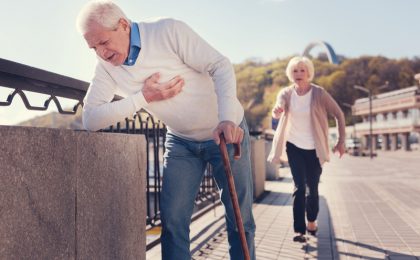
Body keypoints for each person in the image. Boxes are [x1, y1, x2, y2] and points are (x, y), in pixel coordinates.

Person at [76, 1, 256, 259]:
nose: (101, 53)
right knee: (172, 224)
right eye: (93, 47)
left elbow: (221, 65)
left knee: (240, 221)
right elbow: (91, 119)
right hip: (181, 142)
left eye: (103, 42)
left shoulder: (167, 30)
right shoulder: (106, 67)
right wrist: (143, 97)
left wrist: (227, 118)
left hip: (225, 134)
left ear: (123, 25)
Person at [267, 56, 345, 243]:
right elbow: (278, 108)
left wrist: (341, 141)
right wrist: (276, 112)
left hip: (314, 149)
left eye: (302, 70)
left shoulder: (319, 93)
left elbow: (339, 114)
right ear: (290, 74)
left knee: (313, 188)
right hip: (294, 146)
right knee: (299, 187)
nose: (299, 74)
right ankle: (299, 230)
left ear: (308, 73)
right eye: (295, 71)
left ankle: (311, 220)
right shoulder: (286, 93)